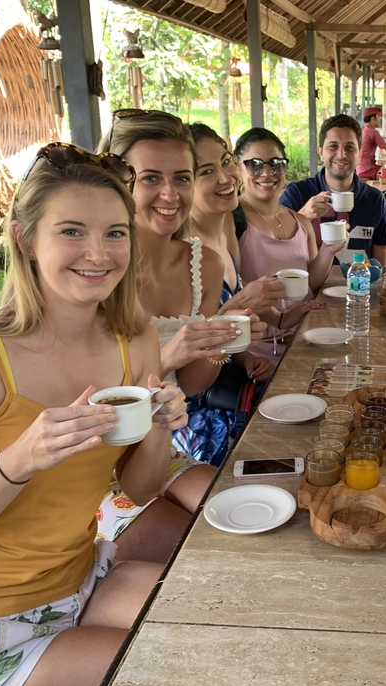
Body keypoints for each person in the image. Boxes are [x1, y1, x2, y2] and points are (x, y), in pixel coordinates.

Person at [0, 148, 183, 686]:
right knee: (170, 674)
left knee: (208, 619)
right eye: (72, 231)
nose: (98, 253)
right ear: (25, 238)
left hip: (83, 577)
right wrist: (19, 461)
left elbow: (137, 488)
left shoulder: (135, 343)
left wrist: (160, 429)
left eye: (114, 233)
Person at [99, 110, 266, 560]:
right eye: (151, 178)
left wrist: (221, 336)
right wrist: (166, 358)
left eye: (182, 177)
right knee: (196, 554)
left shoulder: (203, 264)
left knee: (246, 521)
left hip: (163, 445)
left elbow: (192, 386)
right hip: (97, 459)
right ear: (119, 182)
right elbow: (82, 388)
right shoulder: (97, 269)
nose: (170, 194)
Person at [174, 122, 285, 465]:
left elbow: (229, 334)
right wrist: (235, 308)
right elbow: (183, 375)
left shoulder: (225, 229)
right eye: (207, 171)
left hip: (237, 390)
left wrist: (243, 358)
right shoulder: (180, 254)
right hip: (196, 418)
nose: (226, 177)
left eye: (225, 162)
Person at [235, 127, 341, 363]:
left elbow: (310, 283)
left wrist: (328, 250)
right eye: (255, 164)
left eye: (275, 164)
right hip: (258, 352)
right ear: (237, 168)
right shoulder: (232, 222)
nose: (266, 173)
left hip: (308, 339)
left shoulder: (301, 221)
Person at [280, 114, 386, 266]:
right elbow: (277, 246)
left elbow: (380, 265)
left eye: (349, 147)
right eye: (333, 146)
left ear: (360, 153)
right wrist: (304, 215)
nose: (341, 154)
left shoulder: (375, 199)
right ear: (320, 152)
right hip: (307, 288)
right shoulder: (297, 193)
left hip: (359, 287)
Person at [357, 106, 386, 180]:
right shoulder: (373, 132)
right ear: (372, 119)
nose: (379, 120)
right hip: (368, 169)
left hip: (360, 168)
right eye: (378, 117)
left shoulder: (362, 129)